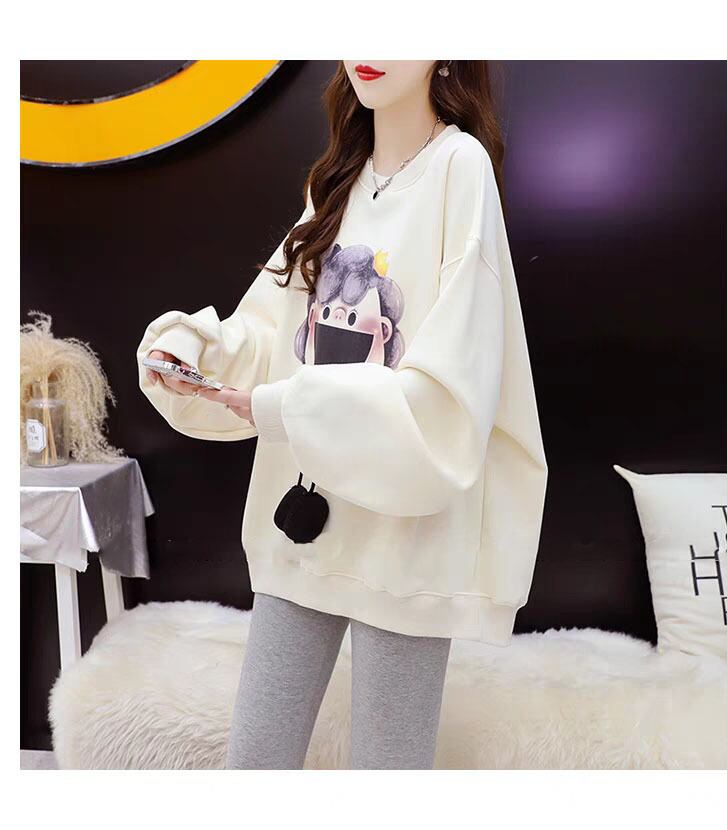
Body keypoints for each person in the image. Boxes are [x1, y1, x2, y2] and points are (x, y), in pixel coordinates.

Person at [136, 60, 548, 770]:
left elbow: (451, 384)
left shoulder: (459, 169)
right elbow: (275, 335)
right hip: (307, 520)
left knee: (386, 776)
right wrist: (194, 347)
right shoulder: (335, 180)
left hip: (405, 532)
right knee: (254, 765)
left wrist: (284, 405)